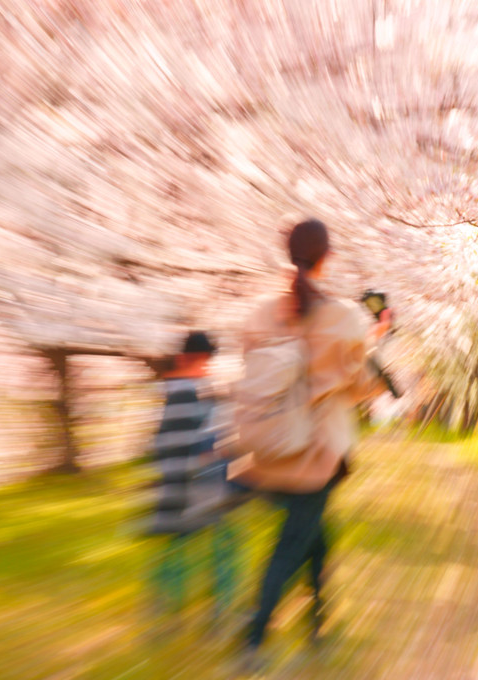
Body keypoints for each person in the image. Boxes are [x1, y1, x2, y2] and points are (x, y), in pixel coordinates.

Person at [231, 218, 389, 663]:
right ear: (328, 257)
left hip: (267, 450)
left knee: (317, 536)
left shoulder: (262, 313)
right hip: (316, 455)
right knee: (292, 544)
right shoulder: (343, 318)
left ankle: (318, 621)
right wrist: (377, 339)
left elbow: (253, 371)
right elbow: (360, 384)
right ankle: (253, 638)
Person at [147, 331, 238, 625]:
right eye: (203, 359)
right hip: (197, 482)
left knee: (180, 545)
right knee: (222, 542)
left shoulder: (178, 389)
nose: (206, 365)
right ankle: (218, 610)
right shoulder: (186, 391)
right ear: (188, 358)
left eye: (207, 360)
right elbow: (202, 441)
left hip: (182, 481)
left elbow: (163, 442)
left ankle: (168, 609)